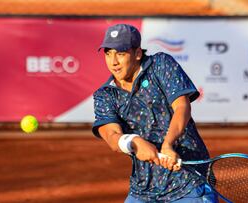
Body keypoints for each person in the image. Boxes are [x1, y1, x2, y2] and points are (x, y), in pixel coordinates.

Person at [92, 24, 218, 203]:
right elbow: (111, 136)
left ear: (137, 54)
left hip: (189, 183)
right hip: (143, 190)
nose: (113, 62)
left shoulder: (160, 64)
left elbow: (182, 106)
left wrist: (168, 144)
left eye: (120, 53)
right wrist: (133, 142)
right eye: (108, 53)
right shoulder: (105, 94)